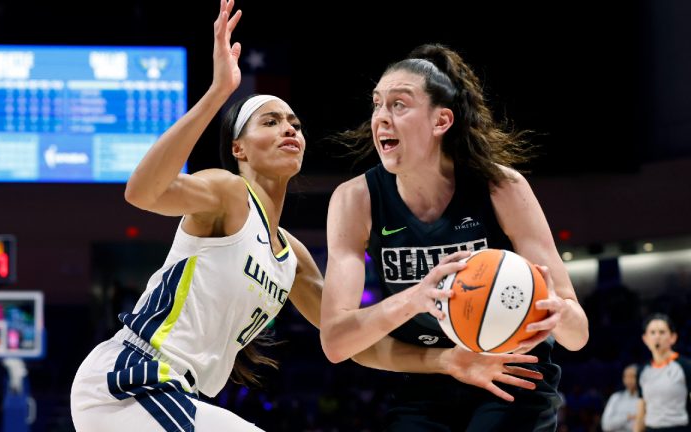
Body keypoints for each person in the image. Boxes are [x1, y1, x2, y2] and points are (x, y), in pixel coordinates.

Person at [69, 3, 544, 430]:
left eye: (294, 122)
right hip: (131, 381)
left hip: (176, 396)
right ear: (238, 148)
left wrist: (445, 361)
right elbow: (142, 191)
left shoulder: (290, 256)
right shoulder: (227, 192)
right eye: (270, 121)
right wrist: (218, 94)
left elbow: (356, 342)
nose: (289, 129)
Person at [320, 43, 590, 431]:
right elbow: (337, 342)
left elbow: (577, 335)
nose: (380, 117)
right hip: (425, 379)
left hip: (511, 373)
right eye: (377, 104)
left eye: (399, 104)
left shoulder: (501, 186)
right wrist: (417, 299)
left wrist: (558, 314)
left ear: (441, 120)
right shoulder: (354, 199)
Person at [634, 313, 691, 432]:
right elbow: (641, 410)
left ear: (673, 337)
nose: (657, 337)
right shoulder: (643, 371)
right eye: (652, 332)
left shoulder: (685, 366)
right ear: (645, 339)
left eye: (662, 332)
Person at [601, 364, 640, 432]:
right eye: (626, 376)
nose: (628, 380)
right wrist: (628, 417)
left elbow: (639, 427)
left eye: (632, 376)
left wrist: (617, 421)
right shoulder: (615, 397)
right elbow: (606, 425)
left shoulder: (644, 400)